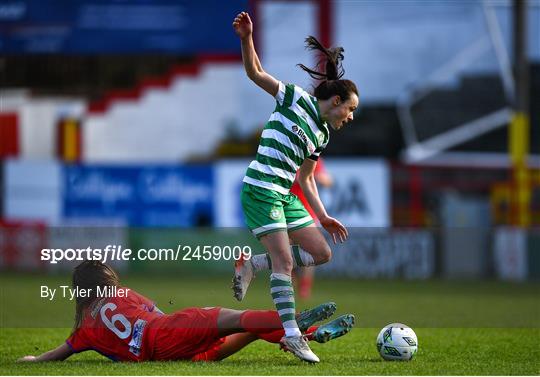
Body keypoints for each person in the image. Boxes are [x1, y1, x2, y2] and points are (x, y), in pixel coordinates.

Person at [231, 11, 358, 363]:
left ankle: (253, 264)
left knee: (322, 254)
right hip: (260, 188)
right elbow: (255, 73)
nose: (351, 116)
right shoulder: (294, 98)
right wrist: (246, 38)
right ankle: (292, 336)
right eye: (350, 109)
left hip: (284, 194)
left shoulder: (322, 134)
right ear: (336, 101)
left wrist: (324, 215)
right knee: (285, 263)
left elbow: (306, 178)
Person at [18, 261, 354, 363]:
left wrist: (31, 361)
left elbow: (56, 355)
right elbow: (158, 314)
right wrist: (189, 321)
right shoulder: (120, 293)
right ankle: (294, 321)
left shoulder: (84, 329)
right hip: (167, 333)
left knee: (248, 330)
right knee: (240, 318)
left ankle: (309, 334)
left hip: (178, 357)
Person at [290, 157, 334, 300]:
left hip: (307, 211)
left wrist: (316, 177)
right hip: (287, 210)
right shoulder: (289, 156)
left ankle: (304, 286)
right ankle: (289, 284)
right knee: (286, 250)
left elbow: (328, 180)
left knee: (309, 250)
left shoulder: (312, 158)